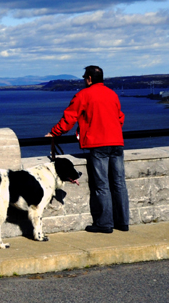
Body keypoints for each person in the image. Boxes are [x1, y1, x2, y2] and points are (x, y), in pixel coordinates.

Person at [44, 65, 129, 233]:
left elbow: (69, 118)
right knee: (119, 183)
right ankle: (123, 222)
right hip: (117, 142)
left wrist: (53, 133)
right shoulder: (112, 94)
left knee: (102, 184)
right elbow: (120, 117)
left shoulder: (83, 95)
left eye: (84, 78)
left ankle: (105, 224)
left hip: (98, 144)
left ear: (89, 78)